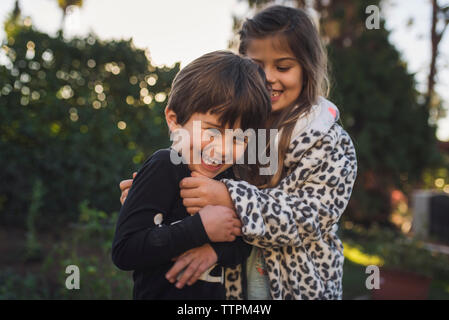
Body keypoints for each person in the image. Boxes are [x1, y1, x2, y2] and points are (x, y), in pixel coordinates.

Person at [120, 5, 358, 300]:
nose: (269, 77)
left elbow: (310, 216)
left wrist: (229, 197)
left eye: (283, 67)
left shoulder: (327, 138)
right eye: (258, 66)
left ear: (307, 70)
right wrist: (154, 194)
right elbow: (196, 188)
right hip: (232, 284)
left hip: (295, 283)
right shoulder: (238, 131)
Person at [112, 50, 272, 299]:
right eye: (212, 131)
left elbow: (242, 243)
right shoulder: (164, 167)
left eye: (239, 139)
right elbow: (125, 251)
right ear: (175, 121)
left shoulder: (232, 182)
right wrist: (200, 228)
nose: (222, 150)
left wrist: (214, 251)